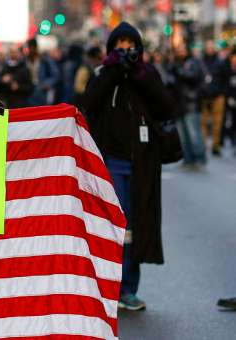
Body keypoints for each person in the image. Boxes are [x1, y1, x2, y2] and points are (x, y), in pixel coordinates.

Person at [82, 22, 177, 311]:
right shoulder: (102, 74)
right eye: (119, 46)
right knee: (114, 226)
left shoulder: (147, 75)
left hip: (143, 165)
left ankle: (129, 289)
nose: (125, 51)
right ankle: (109, 287)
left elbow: (166, 107)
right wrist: (112, 71)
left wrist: (139, 75)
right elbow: (89, 104)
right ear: (111, 49)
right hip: (112, 162)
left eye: (130, 46)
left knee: (135, 228)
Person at [167, 45, 207, 169]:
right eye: (178, 50)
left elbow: (192, 77)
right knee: (183, 137)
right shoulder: (174, 64)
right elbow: (169, 82)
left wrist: (178, 71)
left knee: (194, 134)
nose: (180, 52)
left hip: (191, 104)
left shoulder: (193, 62)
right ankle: (188, 160)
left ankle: (200, 159)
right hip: (179, 105)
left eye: (182, 50)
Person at [200, 41, 228, 156]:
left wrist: (222, 92)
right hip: (204, 96)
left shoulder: (220, 62)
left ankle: (215, 146)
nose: (210, 49)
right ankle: (203, 145)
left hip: (218, 96)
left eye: (211, 47)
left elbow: (226, 78)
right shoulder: (201, 62)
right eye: (208, 47)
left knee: (217, 123)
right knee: (203, 123)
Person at [26, 38, 61, 106]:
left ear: (36, 48)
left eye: (33, 47)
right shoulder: (26, 60)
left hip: (41, 92)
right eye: (30, 47)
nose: (31, 50)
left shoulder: (44, 60)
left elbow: (56, 75)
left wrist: (45, 84)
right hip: (28, 91)